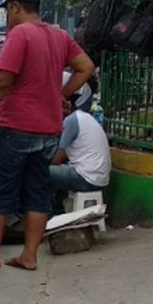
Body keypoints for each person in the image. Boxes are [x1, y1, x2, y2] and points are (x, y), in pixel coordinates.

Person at [0, 0, 94, 276]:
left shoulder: (20, 34)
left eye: (8, 10)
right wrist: (62, 95)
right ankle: (29, 256)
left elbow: (3, 82)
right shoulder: (58, 35)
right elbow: (86, 67)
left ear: (15, 7)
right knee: (36, 191)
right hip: (49, 131)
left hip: (17, 127)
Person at [50, 80, 110, 212]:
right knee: (55, 174)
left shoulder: (70, 121)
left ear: (68, 105)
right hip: (98, 178)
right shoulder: (84, 117)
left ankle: (53, 214)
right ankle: (58, 211)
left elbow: (56, 160)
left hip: (86, 178)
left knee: (39, 171)